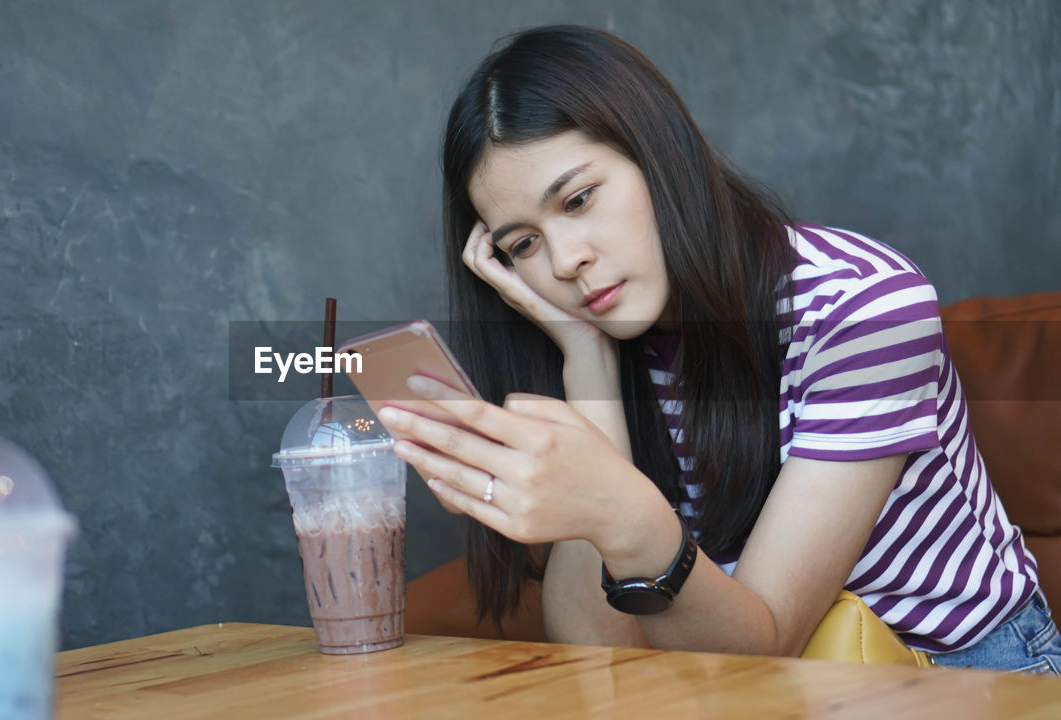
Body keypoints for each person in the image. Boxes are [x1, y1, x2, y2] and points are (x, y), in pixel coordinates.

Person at [375, 25, 1060, 673]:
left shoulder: (862, 308)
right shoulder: (607, 332)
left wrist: (623, 510)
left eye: (579, 200)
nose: (566, 260)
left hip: (961, 675)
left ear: (658, 154)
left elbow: (764, 642)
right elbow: (599, 659)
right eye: (523, 244)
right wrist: (587, 362)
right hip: (753, 683)